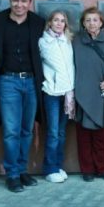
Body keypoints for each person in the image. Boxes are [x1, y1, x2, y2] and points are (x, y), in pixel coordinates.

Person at [0, 0, 46, 193]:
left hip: (32, 82)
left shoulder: (38, 23)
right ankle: (12, 174)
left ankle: (22, 170)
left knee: (27, 129)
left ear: (30, 2)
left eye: (24, 1)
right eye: (16, 0)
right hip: (8, 81)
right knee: (11, 130)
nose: (19, 5)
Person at [72, 7, 104, 181]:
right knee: (83, 135)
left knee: (101, 135)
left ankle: (101, 168)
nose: (91, 23)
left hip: (103, 93)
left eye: (95, 20)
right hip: (82, 93)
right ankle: (87, 170)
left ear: (101, 22)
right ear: (83, 23)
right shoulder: (75, 41)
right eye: (87, 20)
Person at [39, 10, 76, 184]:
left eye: (62, 21)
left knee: (61, 132)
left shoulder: (67, 40)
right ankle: (50, 168)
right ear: (50, 22)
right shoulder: (43, 41)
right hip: (52, 92)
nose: (59, 23)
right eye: (56, 20)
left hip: (67, 93)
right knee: (53, 132)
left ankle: (58, 165)